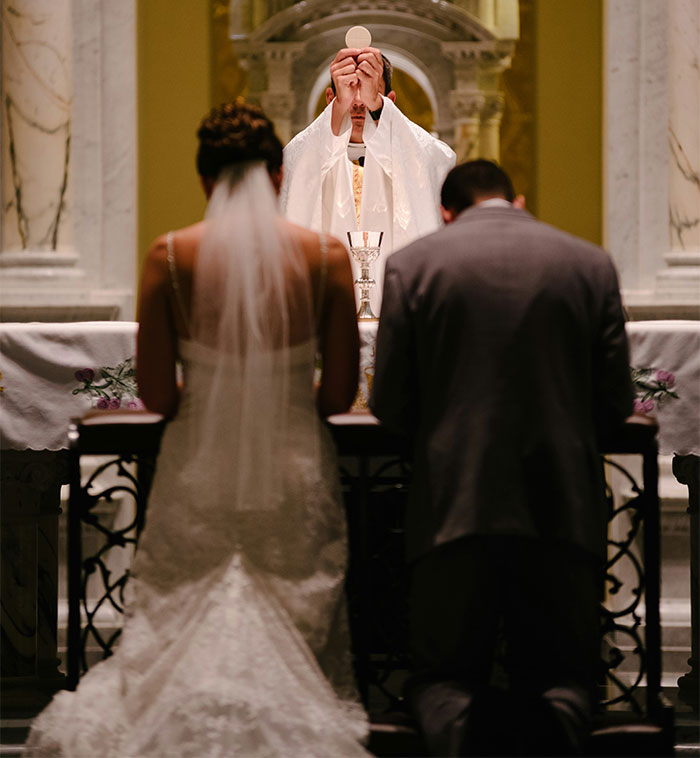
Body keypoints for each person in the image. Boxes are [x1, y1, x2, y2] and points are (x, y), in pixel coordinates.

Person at [25, 101, 370, 757]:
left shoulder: (171, 257)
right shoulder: (326, 256)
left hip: (199, 466)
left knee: (190, 598)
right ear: (275, 174)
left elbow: (154, 393)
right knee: (290, 597)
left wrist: (218, 389)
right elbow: (337, 394)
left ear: (206, 181)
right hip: (292, 459)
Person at [370, 160, 634, 756]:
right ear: (518, 201)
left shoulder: (412, 265)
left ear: (445, 211)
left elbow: (389, 405)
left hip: (451, 505)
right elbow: (616, 401)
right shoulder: (589, 263)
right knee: (563, 683)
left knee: (444, 682)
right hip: (560, 505)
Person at [281, 46, 456, 314]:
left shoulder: (410, 150)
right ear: (330, 97)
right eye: (350, 92)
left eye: (368, 93)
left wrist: (378, 106)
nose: (359, 103)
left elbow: (438, 161)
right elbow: (293, 167)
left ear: (390, 101)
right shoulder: (312, 152)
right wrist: (341, 106)